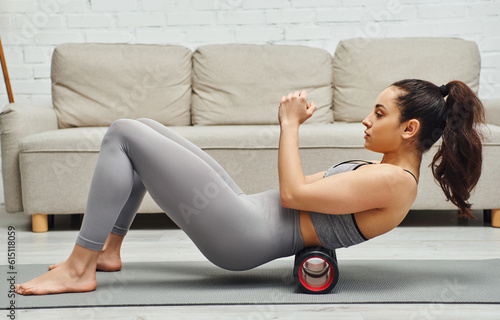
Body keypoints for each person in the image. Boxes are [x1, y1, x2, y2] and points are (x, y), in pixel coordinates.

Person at [15, 79, 484, 295]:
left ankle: (80, 268)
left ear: (409, 129)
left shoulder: (393, 182)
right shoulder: (385, 172)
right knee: (142, 129)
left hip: (241, 234)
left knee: (122, 132)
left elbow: (293, 196)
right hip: (242, 213)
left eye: (380, 113)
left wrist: (288, 125)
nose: (367, 118)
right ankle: (107, 251)